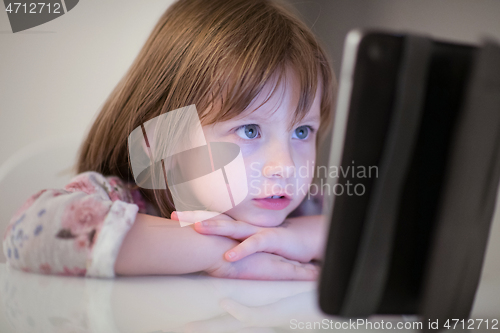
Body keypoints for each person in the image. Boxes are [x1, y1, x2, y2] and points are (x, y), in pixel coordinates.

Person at [2, 0, 335, 280]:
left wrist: (308, 235)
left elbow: (383, 240)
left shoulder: (305, 208)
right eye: (250, 130)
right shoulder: (122, 200)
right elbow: (27, 232)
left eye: (301, 131)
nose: (286, 166)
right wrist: (223, 253)